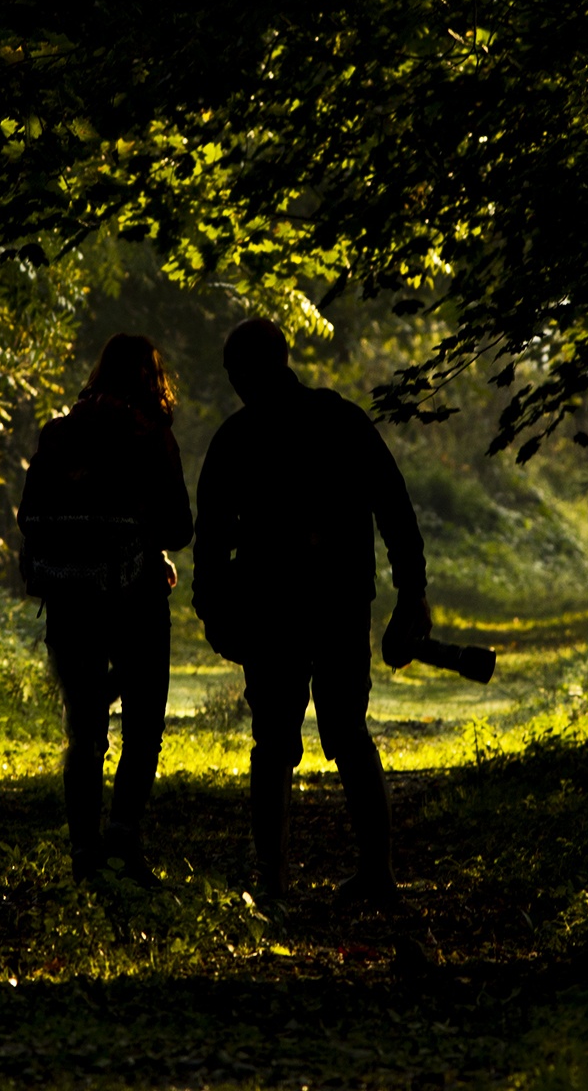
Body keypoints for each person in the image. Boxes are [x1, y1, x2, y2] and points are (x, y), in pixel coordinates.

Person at [193, 317, 430, 908]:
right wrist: (411, 590)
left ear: (256, 367)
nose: (236, 384)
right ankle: (371, 875)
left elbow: (212, 538)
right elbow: (394, 510)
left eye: (236, 373)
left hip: (275, 608)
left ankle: (274, 884)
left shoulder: (239, 436)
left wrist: (214, 609)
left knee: (278, 740)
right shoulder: (341, 421)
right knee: (341, 732)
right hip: (336, 601)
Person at [18, 334, 193, 885]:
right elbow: (179, 529)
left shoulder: (59, 433)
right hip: (135, 600)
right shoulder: (151, 438)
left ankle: (83, 853)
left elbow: (30, 517)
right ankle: (122, 834)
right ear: (151, 378)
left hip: (69, 599)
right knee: (143, 722)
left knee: (85, 729)